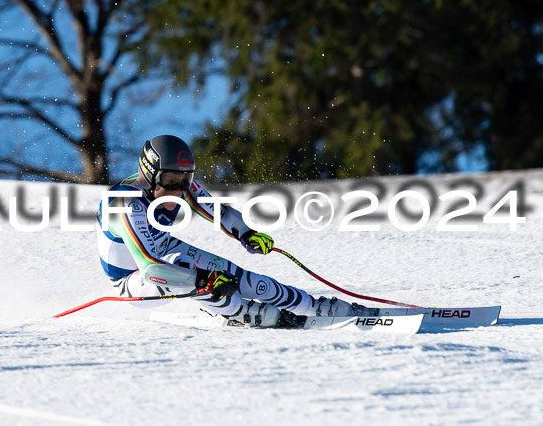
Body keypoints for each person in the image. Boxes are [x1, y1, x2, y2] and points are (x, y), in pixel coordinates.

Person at [96, 134, 374, 327]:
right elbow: (150, 269)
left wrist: (245, 233)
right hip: (134, 283)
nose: (179, 190)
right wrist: (201, 280)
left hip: (164, 251)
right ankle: (244, 314)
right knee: (192, 270)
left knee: (242, 278)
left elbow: (220, 211)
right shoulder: (123, 203)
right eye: (170, 180)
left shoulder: (177, 185)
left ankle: (315, 307)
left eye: (185, 180)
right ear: (149, 175)